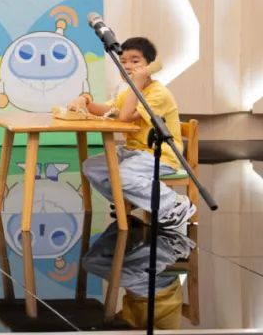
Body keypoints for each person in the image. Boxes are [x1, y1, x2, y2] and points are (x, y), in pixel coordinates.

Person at [71, 37, 196, 228]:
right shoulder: (127, 93)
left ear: (149, 66)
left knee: (122, 175)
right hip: (133, 151)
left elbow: (125, 117)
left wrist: (137, 82)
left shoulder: (158, 93)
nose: (127, 66)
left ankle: (174, 204)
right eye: (123, 62)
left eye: (135, 61)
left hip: (160, 155)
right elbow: (106, 110)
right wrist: (85, 100)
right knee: (92, 167)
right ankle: (129, 200)